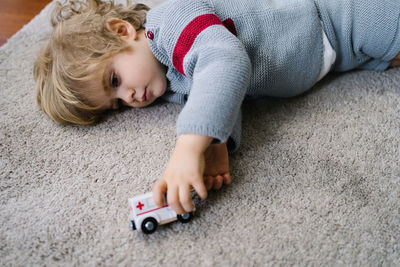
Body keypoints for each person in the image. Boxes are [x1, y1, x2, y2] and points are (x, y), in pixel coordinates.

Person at [34, 0, 400, 215]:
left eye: (114, 81)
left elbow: (225, 62)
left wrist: (188, 145)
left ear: (121, 31)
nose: (128, 98)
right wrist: (216, 144)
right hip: (338, 56)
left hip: (335, 15)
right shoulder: (167, 84)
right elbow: (220, 92)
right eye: (115, 106)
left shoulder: (170, 23)